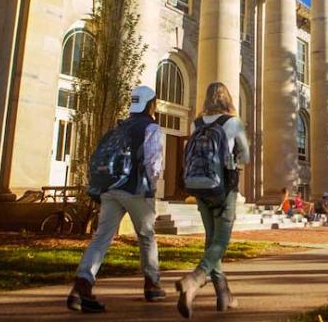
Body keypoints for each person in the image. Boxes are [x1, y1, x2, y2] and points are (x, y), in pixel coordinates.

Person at [67, 85, 165, 313]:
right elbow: (153, 162)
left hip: (109, 188)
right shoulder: (150, 127)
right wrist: (152, 186)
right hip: (135, 189)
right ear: (151, 104)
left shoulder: (119, 127)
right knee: (147, 235)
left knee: (101, 236)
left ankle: (82, 283)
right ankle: (152, 284)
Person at [176, 82, 250, 319]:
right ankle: (194, 280)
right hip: (224, 188)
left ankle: (223, 295)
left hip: (199, 187)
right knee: (220, 242)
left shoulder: (196, 123)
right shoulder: (233, 123)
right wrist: (234, 162)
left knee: (211, 242)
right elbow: (245, 156)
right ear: (228, 98)